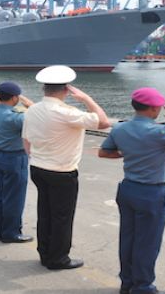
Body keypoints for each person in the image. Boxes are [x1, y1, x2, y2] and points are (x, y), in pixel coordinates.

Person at [98, 87, 165, 294]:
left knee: (128, 238)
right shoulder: (160, 132)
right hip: (151, 193)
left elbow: (103, 152)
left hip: (128, 189)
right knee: (147, 242)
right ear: (153, 108)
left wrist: (130, 154)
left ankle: (127, 283)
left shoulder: (120, 128)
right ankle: (143, 287)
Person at [22, 65, 110, 270]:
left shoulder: (32, 110)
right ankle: (58, 258)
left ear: (44, 89)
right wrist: (86, 99)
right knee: (62, 216)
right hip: (61, 172)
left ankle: (45, 253)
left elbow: (26, 141)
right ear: (66, 90)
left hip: (38, 167)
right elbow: (104, 122)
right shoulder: (67, 112)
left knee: (45, 212)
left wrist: (37, 158)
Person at [0, 82, 34, 243]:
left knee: (0, 195)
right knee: (14, 197)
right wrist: (29, 104)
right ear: (14, 98)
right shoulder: (16, 117)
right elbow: (37, 115)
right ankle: (12, 233)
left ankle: (0, 231)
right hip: (15, 158)